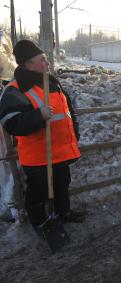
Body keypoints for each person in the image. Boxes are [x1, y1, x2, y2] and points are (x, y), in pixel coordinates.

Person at [0, 40, 85, 237]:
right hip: (39, 155)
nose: (47, 62)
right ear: (28, 64)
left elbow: (67, 111)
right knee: (37, 193)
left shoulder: (51, 82)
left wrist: (75, 132)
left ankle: (64, 213)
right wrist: (38, 116)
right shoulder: (16, 89)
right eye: (42, 59)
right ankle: (40, 223)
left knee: (62, 185)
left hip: (60, 150)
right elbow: (11, 122)